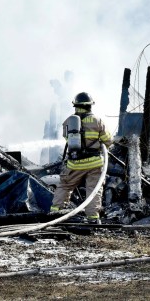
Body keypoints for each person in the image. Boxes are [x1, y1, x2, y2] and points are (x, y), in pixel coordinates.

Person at [49, 92, 112, 223]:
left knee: (65, 185)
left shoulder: (68, 121)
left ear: (75, 105)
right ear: (90, 106)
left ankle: (55, 213)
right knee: (94, 189)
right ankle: (93, 218)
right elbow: (108, 140)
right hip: (94, 163)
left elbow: (68, 139)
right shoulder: (97, 121)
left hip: (75, 163)